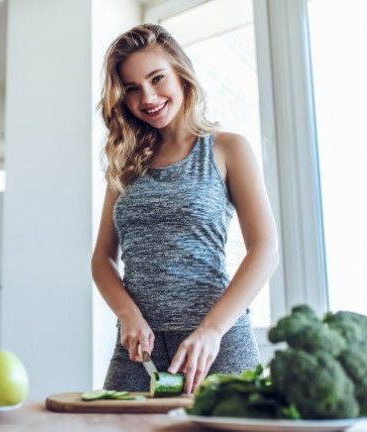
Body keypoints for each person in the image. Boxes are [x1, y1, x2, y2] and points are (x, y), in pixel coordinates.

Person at [91, 23, 279, 395]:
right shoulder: (123, 164)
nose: (147, 97)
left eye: (157, 78)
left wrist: (211, 331)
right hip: (138, 351)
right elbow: (102, 259)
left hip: (217, 345)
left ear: (181, 74)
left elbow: (265, 249)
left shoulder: (227, 149)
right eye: (131, 88)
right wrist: (128, 316)